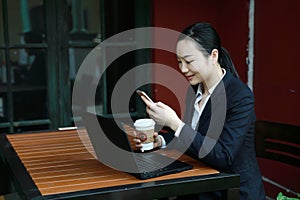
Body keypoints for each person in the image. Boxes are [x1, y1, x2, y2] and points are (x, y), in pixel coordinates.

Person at [134, 22, 265, 199]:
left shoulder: (240, 97)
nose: (182, 69)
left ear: (213, 55)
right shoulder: (195, 90)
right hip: (200, 181)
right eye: (179, 62)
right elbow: (195, 137)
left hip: (230, 190)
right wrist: (162, 140)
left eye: (188, 61)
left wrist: (175, 123)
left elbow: (223, 155)